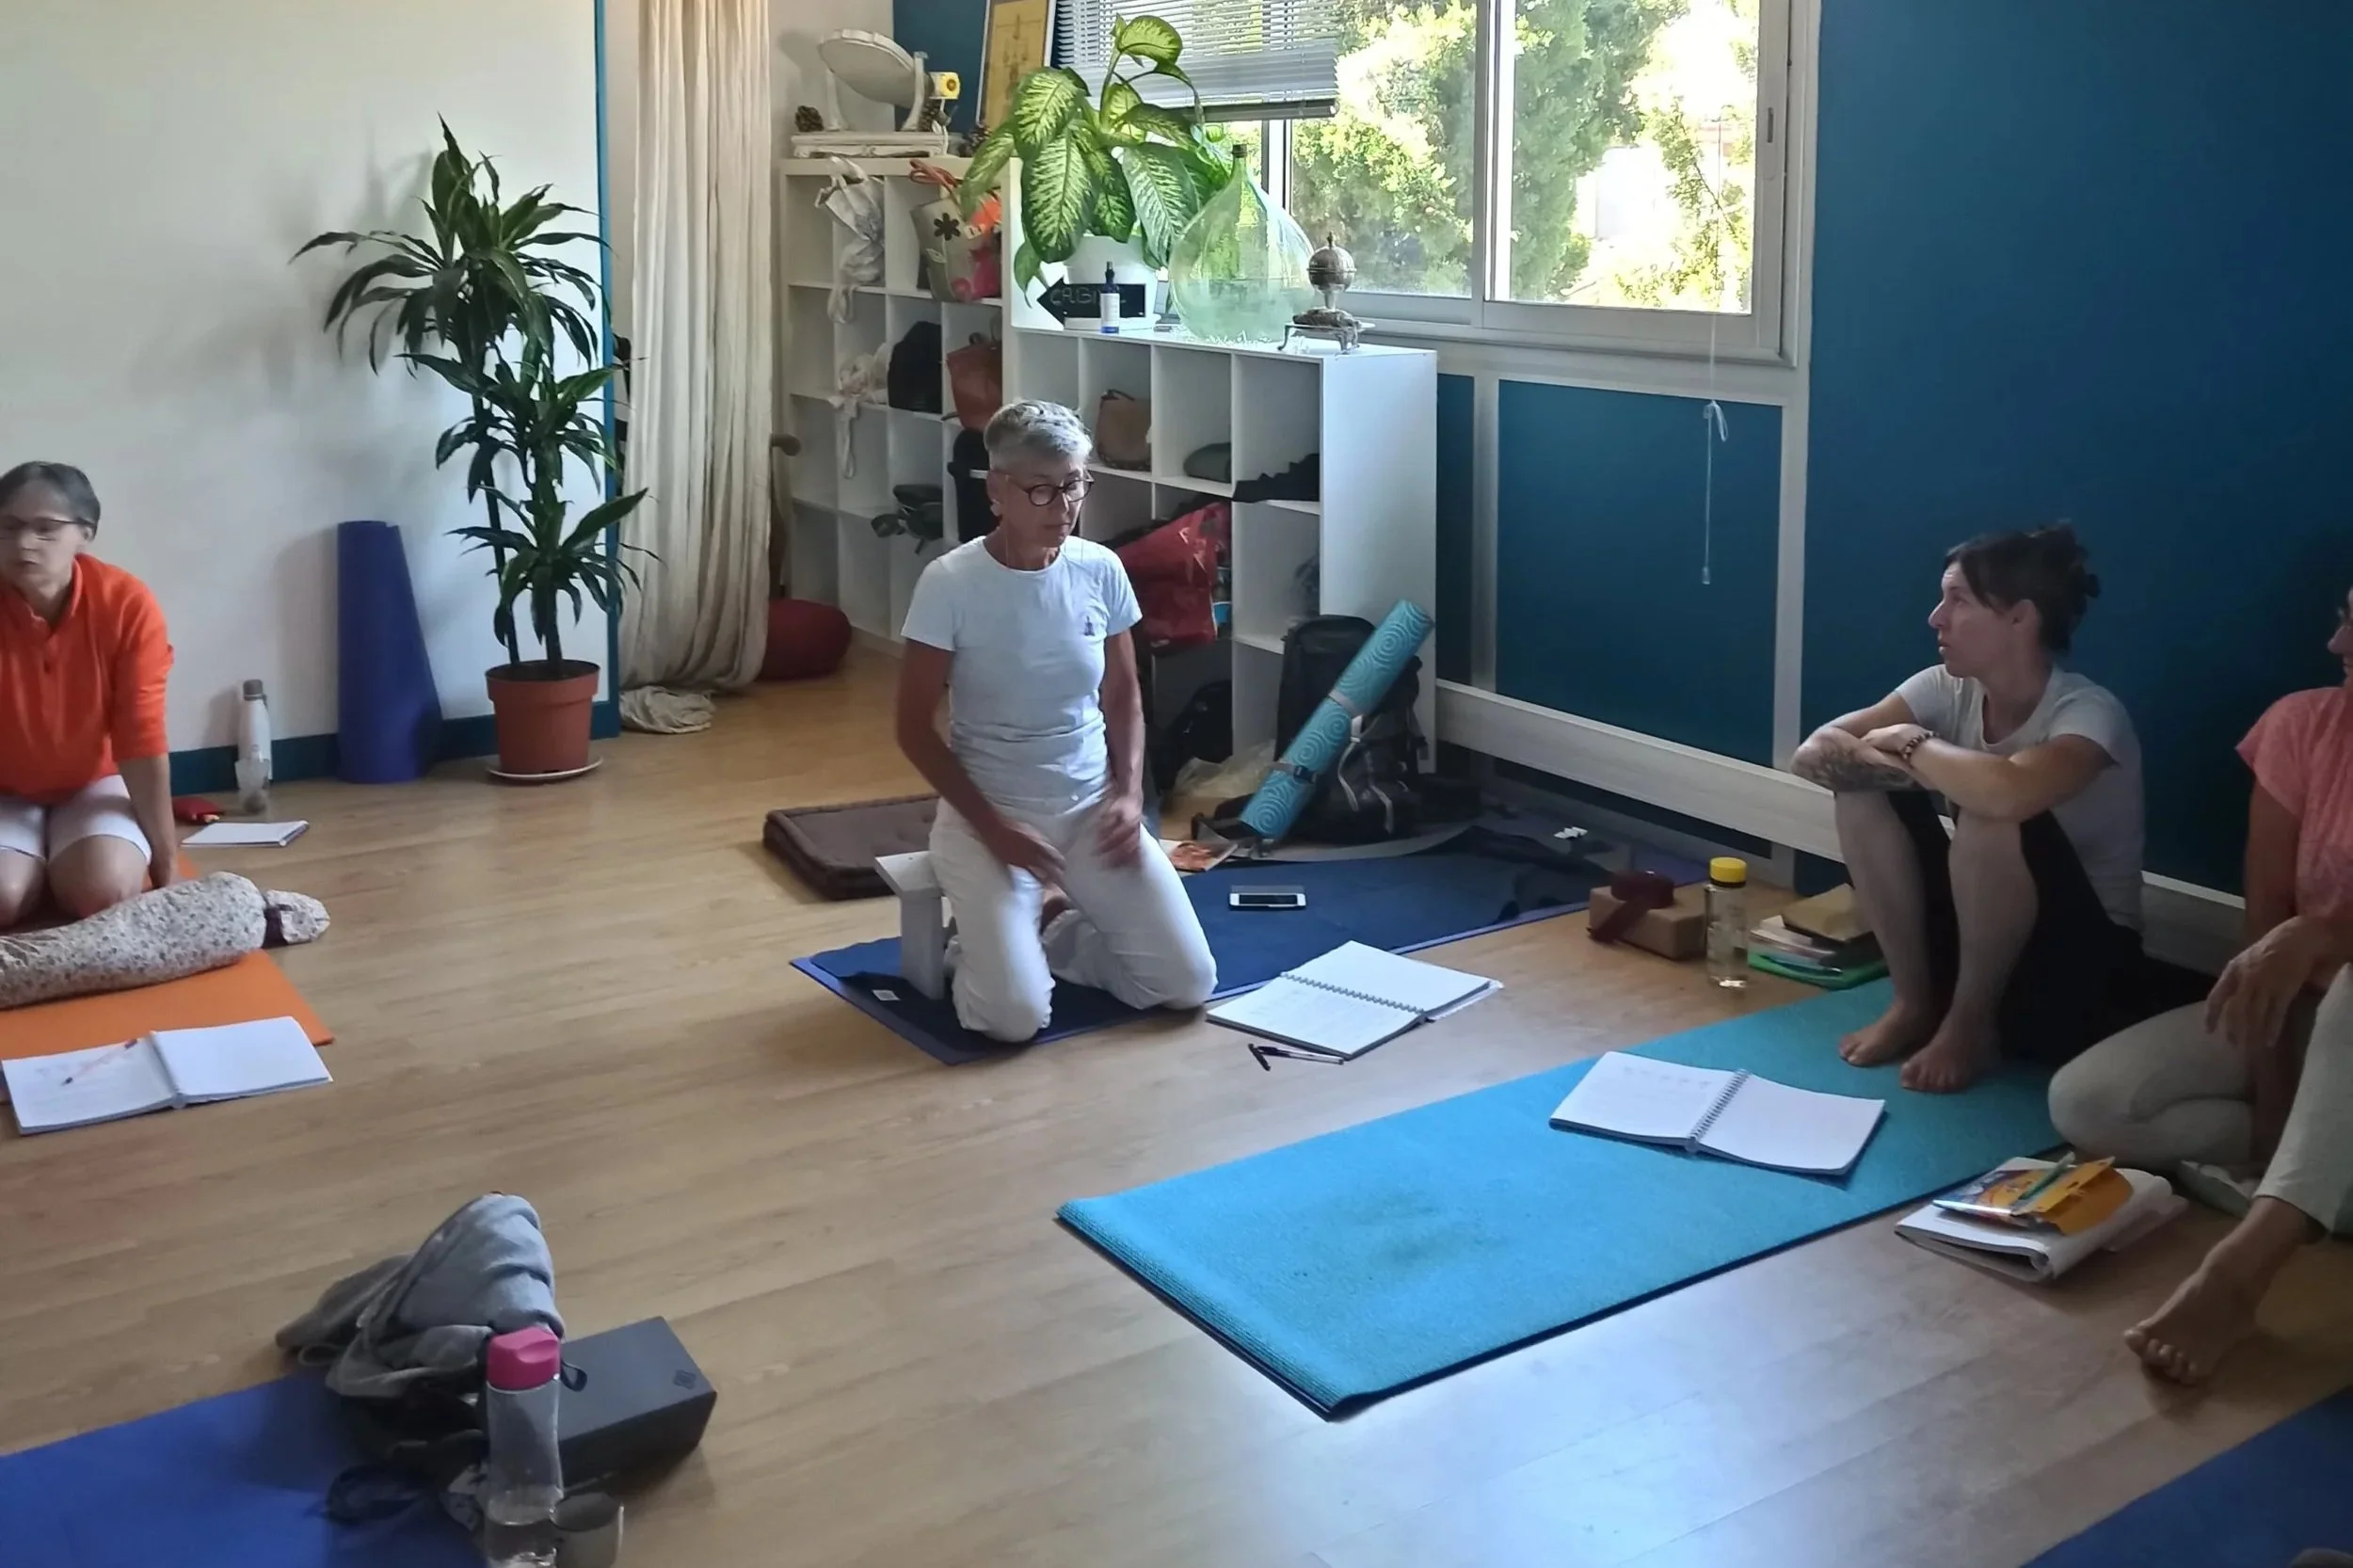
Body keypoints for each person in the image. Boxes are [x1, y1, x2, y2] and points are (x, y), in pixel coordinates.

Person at [2050, 584, 2353, 1385]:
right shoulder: (2303, 725)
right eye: (2343, 613)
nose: (2337, 645)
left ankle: (2240, 1269)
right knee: (2088, 1104)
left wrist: (2326, 936)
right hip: (2295, 1010)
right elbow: (2265, 937)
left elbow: (2310, 941)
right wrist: (2273, 1081)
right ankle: (2306, 1178)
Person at [893, 401, 1216, 1044]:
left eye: (1074, 484)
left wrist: (1127, 798)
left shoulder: (1099, 568)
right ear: (996, 491)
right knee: (1014, 1021)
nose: (1062, 506)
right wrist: (993, 827)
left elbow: (1123, 694)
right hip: (992, 815)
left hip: (1091, 807)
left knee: (1186, 984)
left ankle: (1056, 937)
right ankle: (981, 954)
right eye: (1041, 489)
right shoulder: (950, 583)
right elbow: (911, 726)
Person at [1790, 525, 2143, 1092]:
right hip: (1984, 931)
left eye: (1958, 601)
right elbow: (1813, 753)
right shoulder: (1943, 689)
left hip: (2082, 965)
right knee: (1861, 792)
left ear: (2020, 619)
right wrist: (1908, 765)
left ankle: (1970, 1025)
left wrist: (1913, 743)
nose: (1936, 618)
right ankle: (1914, 1003)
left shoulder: (2090, 714)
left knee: (1989, 810)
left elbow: (2007, 794)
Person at [0, 462, 176, 930]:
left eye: (46, 529)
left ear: (86, 533)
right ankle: (29, 868)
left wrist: (166, 862)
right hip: (5, 790)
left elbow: (141, 737)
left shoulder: (126, 604)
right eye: (9, 527)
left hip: (93, 783)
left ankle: (54, 865)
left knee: (106, 890)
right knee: (1, 895)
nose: (23, 544)